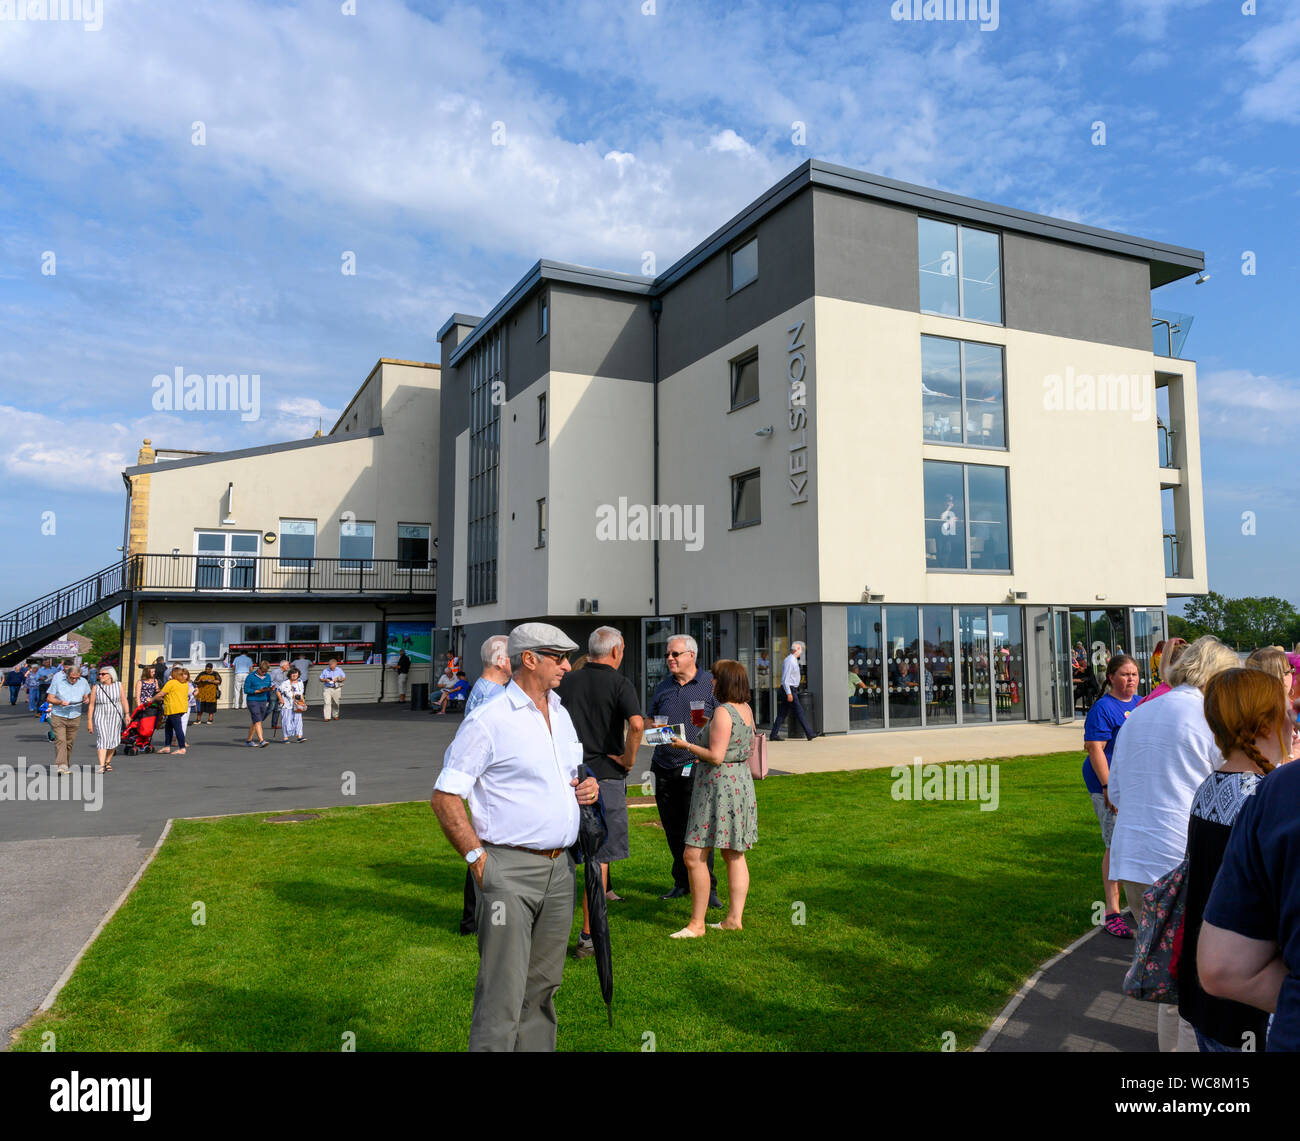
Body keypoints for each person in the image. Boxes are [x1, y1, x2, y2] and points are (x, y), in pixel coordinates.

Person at [430, 622, 600, 1052]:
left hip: (561, 868)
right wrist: (479, 862)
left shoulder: (560, 713)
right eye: (558, 658)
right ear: (530, 659)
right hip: (508, 870)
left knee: (544, 988)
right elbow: (446, 796)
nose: (566, 666)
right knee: (503, 992)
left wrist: (587, 787)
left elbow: (571, 774)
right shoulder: (489, 720)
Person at [1109, 634, 1241, 1052]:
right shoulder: (1207, 717)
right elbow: (1235, 784)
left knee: (1171, 987)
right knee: (1189, 991)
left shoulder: (1141, 714)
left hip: (1133, 859)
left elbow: (1115, 793)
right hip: (1180, 861)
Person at [1177, 669, 1285, 1053]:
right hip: (1252, 1007)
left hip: (1208, 995)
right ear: (1266, 722)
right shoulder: (1264, 801)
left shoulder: (1209, 787)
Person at [1198, 736, 1300, 1050]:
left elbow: (1223, 967)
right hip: (1237, 1022)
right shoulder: (1259, 789)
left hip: (1215, 1005)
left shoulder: (1279, 791)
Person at [558, 626, 645, 959]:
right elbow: (636, 725)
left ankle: (548, 929)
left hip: (570, 774)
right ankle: (588, 935)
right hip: (606, 777)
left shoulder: (566, 682)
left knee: (564, 852)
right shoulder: (620, 683)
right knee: (599, 857)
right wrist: (627, 759)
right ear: (617, 651)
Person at [667, 659, 758, 938]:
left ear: (726, 681)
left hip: (717, 788)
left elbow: (716, 756)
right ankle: (733, 919)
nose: (711, 682)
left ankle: (697, 925)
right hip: (740, 784)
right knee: (733, 853)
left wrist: (687, 745)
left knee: (693, 855)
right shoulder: (746, 710)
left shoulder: (723, 712)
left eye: (716, 678)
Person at [648, 634, 721, 907]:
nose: (670, 658)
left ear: (692, 655)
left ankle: (708, 887)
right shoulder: (663, 686)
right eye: (668, 654)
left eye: (675, 654)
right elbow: (649, 717)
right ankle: (681, 882)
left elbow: (721, 720)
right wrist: (653, 727)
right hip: (664, 765)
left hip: (696, 766)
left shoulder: (709, 685)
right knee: (673, 828)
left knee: (700, 830)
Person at [452, 635, 512, 937]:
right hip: (492, 783)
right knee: (489, 847)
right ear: (501, 661)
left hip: (483, 780)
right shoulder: (494, 695)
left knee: (484, 846)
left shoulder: (482, 688)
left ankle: (474, 919)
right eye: (513, 655)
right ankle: (477, 920)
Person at [1081, 654, 1143, 939]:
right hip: (1106, 784)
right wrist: (1108, 788)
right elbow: (1095, 748)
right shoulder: (1103, 708)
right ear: (1111, 677)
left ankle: (1137, 900)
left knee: (1131, 841)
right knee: (1115, 844)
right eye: (1124, 674)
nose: (1130, 679)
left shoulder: (1140, 703)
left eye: (1134, 674)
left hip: (1131, 783)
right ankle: (1112, 912)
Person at [46, 663, 91, 774]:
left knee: (69, 742)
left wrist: (86, 699)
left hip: (75, 715)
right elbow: (49, 698)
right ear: (67, 675)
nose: (74, 680)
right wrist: (60, 702)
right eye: (72, 678)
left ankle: (65, 763)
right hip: (59, 714)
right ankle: (61, 766)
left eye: (77, 678)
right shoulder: (58, 681)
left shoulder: (83, 682)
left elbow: (86, 695)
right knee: (61, 740)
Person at [85, 665, 130, 774]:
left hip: (115, 715)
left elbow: (123, 700)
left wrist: (127, 714)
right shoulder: (96, 687)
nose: (100, 676)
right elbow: (91, 705)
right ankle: (101, 765)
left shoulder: (118, 685)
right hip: (101, 714)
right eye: (99, 674)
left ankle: (108, 761)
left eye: (103, 674)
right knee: (103, 738)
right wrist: (89, 721)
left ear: (111, 675)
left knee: (114, 740)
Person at [771, 640, 817, 741]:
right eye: (801, 650)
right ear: (798, 649)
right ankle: (809, 733)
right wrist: (789, 693)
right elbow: (785, 679)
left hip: (790, 689)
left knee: (782, 713)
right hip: (789, 689)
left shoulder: (792, 660)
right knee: (799, 711)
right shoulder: (790, 661)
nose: (802, 652)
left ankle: (773, 734)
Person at [1138, 638, 1187, 705]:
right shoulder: (1161, 657)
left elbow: (1152, 666)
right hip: (1160, 677)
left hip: (1155, 676)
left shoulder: (1153, 656)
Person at [156, 667, 190, 755]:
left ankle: (182, 748)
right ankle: (167, 746)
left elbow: (162, 693)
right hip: (182, 708)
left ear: (174, 674)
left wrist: (152, 699)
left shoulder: (171, 683)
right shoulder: (185, 683)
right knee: (168, 726)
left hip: (173, 708)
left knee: (178, 728)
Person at [243, 661, 274, 748]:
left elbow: (268, 686)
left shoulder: (268, 676)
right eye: (263, 671)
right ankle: (261, 741)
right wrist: (257, 691)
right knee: (257, 720)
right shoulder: (250, 677)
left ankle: (249, 740)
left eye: (265, 671)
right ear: (259, 669)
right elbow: (246, 690)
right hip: (252, 700)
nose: (264, 673)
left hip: (263, 700)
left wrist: (269, 689)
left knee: (256, 721)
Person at [276, 667, 307, 743]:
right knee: (286, 721)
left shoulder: (300, 682)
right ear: (289, 674)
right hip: (287, 705)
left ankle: (299, 737)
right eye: (293, 673)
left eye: (296, 673)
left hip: (297, 704)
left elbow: (301, 693)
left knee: (298, 720)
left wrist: (303, 702)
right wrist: (281, 699)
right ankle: (285, 738)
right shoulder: (285, 683)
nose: (294, 675)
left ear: (298, 674)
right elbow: (277, 691)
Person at [265, 660, 289, 738]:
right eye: (287, 665)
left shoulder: (285, 673)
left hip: (281, 692)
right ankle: (258, 721)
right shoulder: (275, 671)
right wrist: (274, 687)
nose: (288, 666)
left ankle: (274, 724)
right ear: (283, 666)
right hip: (274, 691)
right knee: (271, 707)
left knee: (277, 709)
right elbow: (270, 680)